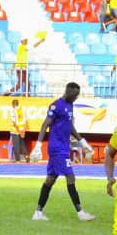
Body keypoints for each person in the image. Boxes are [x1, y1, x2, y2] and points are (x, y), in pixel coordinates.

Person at [30, 83, 96, 222]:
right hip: (57, 148)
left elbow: (70, 125)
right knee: (70, 177)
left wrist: (82, 142)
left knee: (50, 179)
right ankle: (80, 212)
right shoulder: (56, 105)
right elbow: (45, 125)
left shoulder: (70, 105)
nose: (76, 98)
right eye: (75, 95)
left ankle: (38, 212)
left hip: (63, 147)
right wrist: (38, 146)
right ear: (69, 92)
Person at [9, 98, 29, 162]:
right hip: (22, 129)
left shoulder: (13, 111)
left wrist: (19, 131)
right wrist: (23, 131)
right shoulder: (23, 109)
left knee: (16, 145)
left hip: (15, 131)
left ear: (13, 104)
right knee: (22, 144)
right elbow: (26, 121)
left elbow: (14, 123)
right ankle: (26, 157)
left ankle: (17, 159)